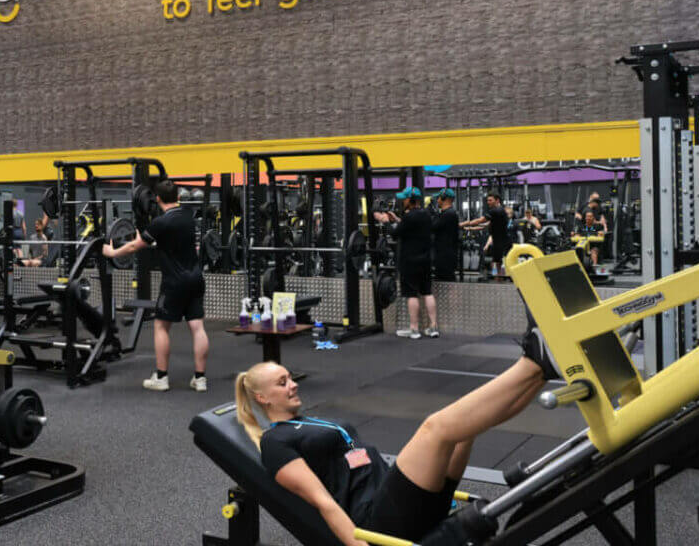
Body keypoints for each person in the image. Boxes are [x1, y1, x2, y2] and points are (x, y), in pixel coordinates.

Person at [234, 330, 556, 545]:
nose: (293, 385)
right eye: (281, 383)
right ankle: (531, 361)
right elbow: (323, 502)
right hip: (377, 519)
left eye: (290, 378)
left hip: (399, 497)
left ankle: (541, 373)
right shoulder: (275, 443)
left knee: (465, 427)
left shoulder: (306, 422)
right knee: (437, 428)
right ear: (263, 399)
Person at [103, 180, 209, 392]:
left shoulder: (161, 223)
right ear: (178, 196)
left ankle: (161, 377)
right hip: (196, 278)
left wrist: (112, 252)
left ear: (157, 199)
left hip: (174, 282)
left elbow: (135, 245)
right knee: (197, 327)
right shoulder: (188, 218)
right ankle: (200, 379)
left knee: (161, 326)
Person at [376, 187, 437, 339]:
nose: (403, 201)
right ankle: (433, 327)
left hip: (410, 261)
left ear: (410, 200)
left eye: (404, 199)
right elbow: (410, 227)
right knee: (427, 292)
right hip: (425, 260)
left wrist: (386, 222)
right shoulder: (426, 215)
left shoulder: (409, 217)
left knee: (412, 295)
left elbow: (395, 234)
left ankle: (414, 329)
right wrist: (396, 219)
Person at [460, 193, 510, 277]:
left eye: (490, 200)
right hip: (499, 240)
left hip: (500, 241)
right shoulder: (499, 211)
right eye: (487, 200)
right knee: (496, 262)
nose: (488, 202)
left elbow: (479, 221)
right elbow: (485, 226)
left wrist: (461, 224)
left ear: (497, 200)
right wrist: (468, 229)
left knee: (497, 262)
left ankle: (499, 278)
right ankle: (498, 277)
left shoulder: (496, 211)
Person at [430, 190, 459, 283]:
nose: (437, 200)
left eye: (438, 198)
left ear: (444, 198)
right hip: (443, 254)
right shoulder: (445, 213)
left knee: (446, 281)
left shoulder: (448, 214)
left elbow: (432, 227)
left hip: (446, 257)